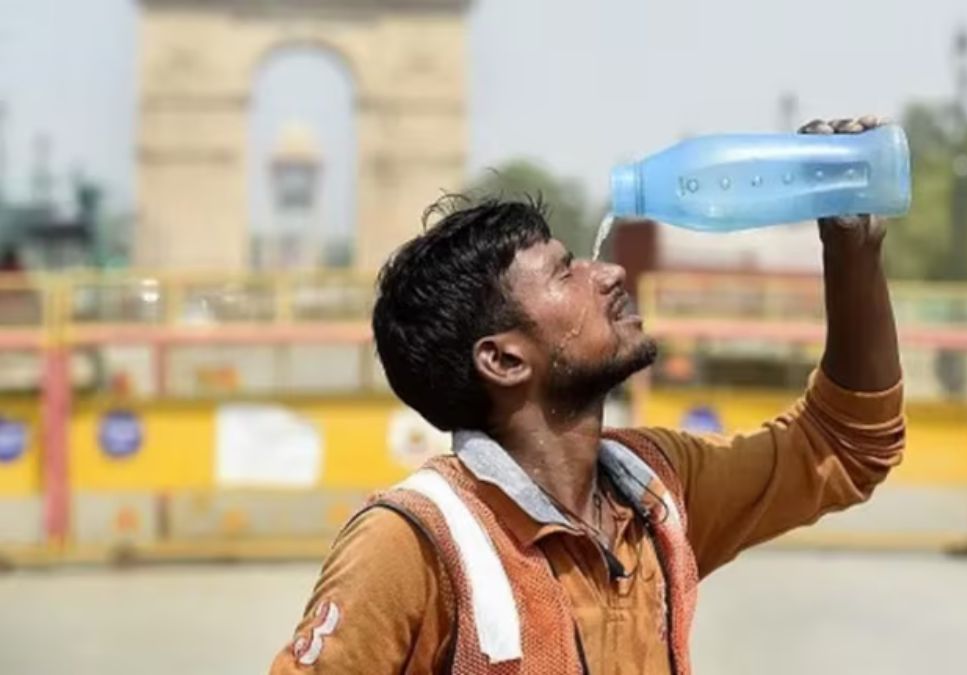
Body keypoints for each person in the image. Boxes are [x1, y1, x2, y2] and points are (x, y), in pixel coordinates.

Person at [271, 116, 906, 674]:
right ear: (503, 359)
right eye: (564, 271)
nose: (610, 272)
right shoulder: (414, 544)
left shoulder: (658, 491)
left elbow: (846, 444)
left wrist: (852, 251)